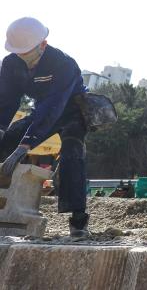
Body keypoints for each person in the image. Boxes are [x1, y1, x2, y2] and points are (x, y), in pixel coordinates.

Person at [0, 17, 91, 238]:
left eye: (29, 55)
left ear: (43, 44)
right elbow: (6, 100)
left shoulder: (64, 64)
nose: (26, 61)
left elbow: (54, 106)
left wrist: (25, 146)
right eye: (21, 55)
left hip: (72, 112)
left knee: (72, 155)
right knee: (5, 142)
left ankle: (78, 222)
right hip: (41, 111)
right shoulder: (11, 64)